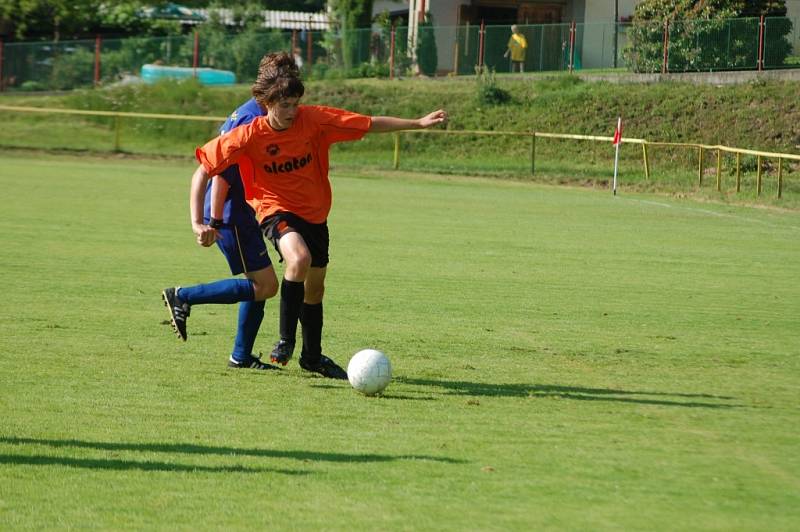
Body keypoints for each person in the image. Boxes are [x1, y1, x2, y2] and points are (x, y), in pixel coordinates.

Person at [195, 51, 447, 380]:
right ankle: (285, 340)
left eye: (294, 104)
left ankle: (312, 357)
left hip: (315, 215)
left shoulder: (314, 120)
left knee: (315, 291)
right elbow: (203, 170)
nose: (291, 112)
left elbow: (368, 123)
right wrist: (198, 221)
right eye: (284, 105)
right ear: (267, 103)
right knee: (297, 259)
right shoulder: (250, 134)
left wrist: (417, 123)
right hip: (275, 211)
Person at [162, 100, 280, 371]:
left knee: (260, 283)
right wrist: (212, 221)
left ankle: (241, 356)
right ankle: (183, 296)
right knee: (266, 285)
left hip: (240, 212)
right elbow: (222, 175)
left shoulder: (251, 111)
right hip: (232, 215)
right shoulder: (249, 120)